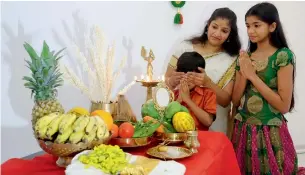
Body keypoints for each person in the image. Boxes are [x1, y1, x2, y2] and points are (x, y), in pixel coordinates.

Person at [231, 2, 305, 174]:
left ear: (272, 26)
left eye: (257, 25)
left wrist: (252, 76)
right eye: (248, 26)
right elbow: (235, 100)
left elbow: (283, 106)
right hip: (243, 131)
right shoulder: (245, 57)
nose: (250, 31)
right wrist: (244, 71)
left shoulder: (282, 56)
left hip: (270, 131)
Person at [165, 7, 241, 136]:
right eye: (214, 27)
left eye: (224, 31)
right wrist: (171, 81)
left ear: (230, 34)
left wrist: (207, 82)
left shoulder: (231, 59)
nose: (217, 33)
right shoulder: (185, 47)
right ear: (208, 26)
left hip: (213, 124)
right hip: (178, 120)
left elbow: (226, 101)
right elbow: (166, 82)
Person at [175, 51, 217, 131]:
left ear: (199, 75)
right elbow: (166, 121)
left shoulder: (208, 94)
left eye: (190, 76)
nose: (187, 80)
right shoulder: (174, 93)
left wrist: (187, 100)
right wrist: (178, 101)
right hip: (177, 138)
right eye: (183, 75)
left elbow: (208, 122)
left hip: (200, 138)